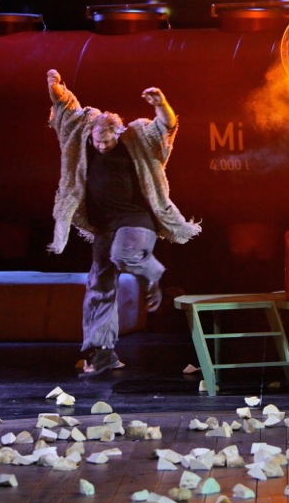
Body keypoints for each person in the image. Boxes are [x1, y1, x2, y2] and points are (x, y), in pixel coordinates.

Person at [46, 69, 200, 376]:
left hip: (137, 221)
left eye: (107, 142)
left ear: (117, 134)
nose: (102, 146)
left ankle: (153, 274)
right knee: (99, 286)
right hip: (105, 227)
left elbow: (166, 128)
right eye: (98, 141)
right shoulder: (82, 136)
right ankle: (102, 353)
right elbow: (66, 110)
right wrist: (55, 88)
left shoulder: (136, 138)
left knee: (123, 255)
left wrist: (161, 105)